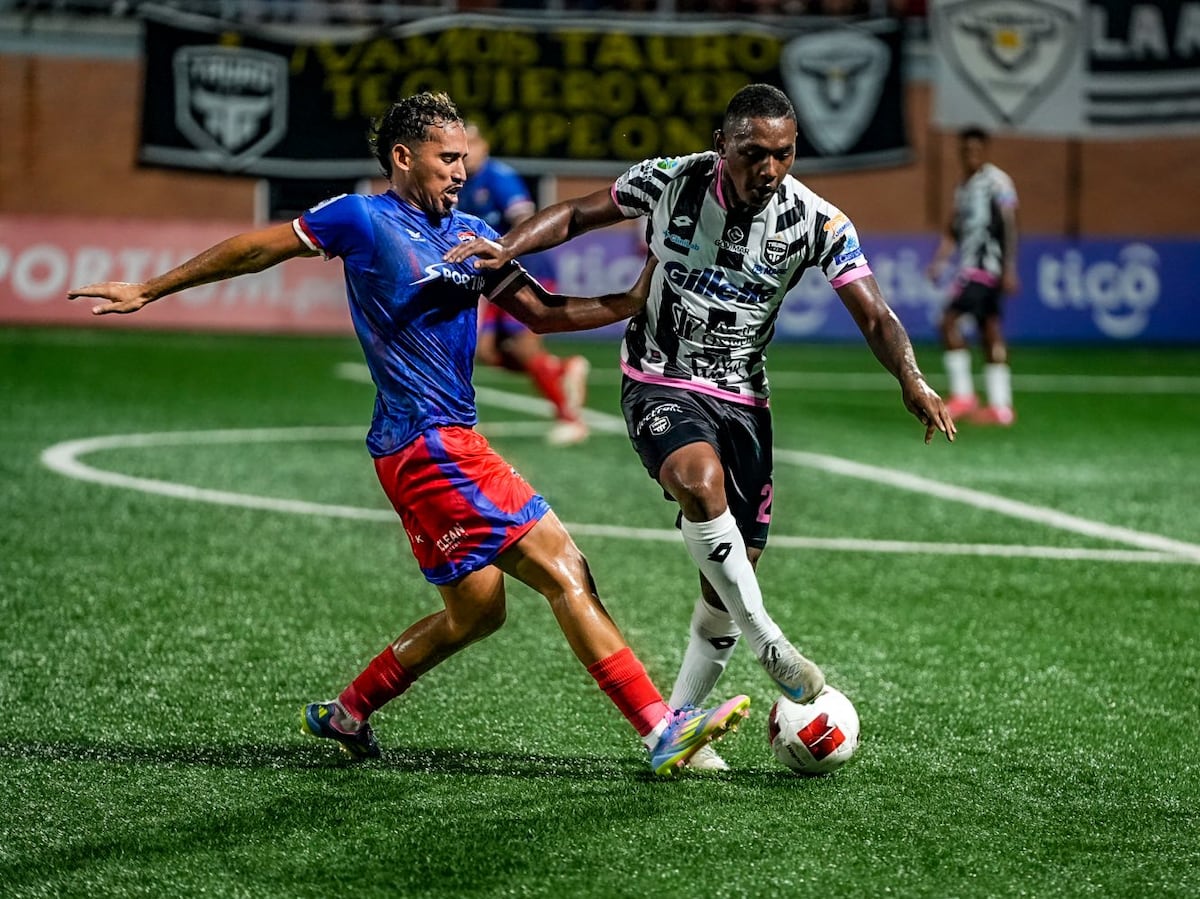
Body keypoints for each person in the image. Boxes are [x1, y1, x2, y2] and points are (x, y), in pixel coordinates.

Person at [66, 91, 750, 777]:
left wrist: (635, 295)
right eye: (446, 158)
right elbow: (255, 250)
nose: (461, 170)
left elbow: (540, 314)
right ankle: (659, 728)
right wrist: (151, 288)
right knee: (565, 569)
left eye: (463, 158)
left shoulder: (471, 231)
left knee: (476, 613)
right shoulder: (361, 218)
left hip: (420, 449)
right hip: (431, 443)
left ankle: (348, 711)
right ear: (402, 157)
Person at [447, 83, 955, 771]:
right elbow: (576, 214)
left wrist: (911, 376)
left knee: (727, 579)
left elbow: (875, 313)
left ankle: (678, 733)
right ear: (722, 146)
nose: (768, 168)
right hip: (658, 375)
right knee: (697, 479)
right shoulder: (671, 180)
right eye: (753, 153)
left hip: (744, 397)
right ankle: (769, 641)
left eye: (783, 154)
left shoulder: (818, 221)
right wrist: (509, 245)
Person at [459, 122, 591, 447]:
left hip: (526, 269)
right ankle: (561, 370)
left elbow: (525, 218)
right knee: (488, 351)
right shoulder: (461, 183)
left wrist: (507, 248)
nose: (466, 153)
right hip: (496, 276)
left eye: (472, 145)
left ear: (485, 146)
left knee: (523, 347)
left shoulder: (498, 178)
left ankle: (570, 420)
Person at [926, 126, 1020, 426]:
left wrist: (1009, 267)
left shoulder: (997, 182)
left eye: (977, 150)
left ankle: (963, 395)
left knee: (947, 321)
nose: (971, 155)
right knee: (989, 328)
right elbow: (953, 229)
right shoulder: (963, 187)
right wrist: (940, 261)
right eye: (966, 150)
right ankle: (1001, 407)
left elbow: (1010, 225)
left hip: (984, 268)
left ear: (985, 151)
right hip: (973, 267)